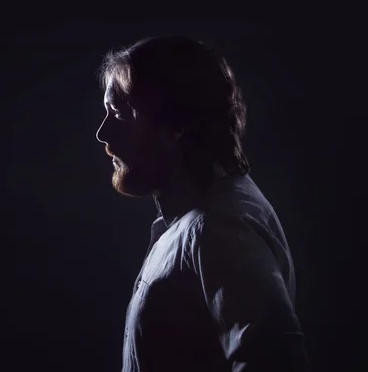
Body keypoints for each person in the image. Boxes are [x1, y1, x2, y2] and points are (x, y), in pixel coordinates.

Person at [95, 36, 308, 371]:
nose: (103, 134)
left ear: (177, 123)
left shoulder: (220, 227)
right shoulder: (194, 220)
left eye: (120, 113)